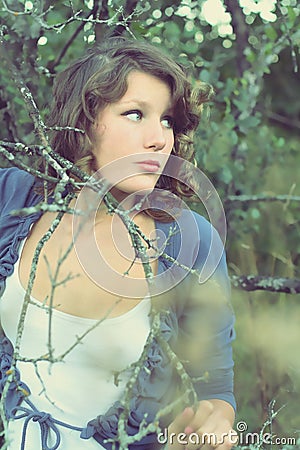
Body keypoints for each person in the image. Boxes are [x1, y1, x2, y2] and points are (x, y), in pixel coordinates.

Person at [0, 37, 236, 450]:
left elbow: (215, 386)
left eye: (167, 120)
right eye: (134, 114)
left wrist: (212, 423)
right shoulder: (12, 197)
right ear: (84, 122)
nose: (159, 139)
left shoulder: (190, 240)